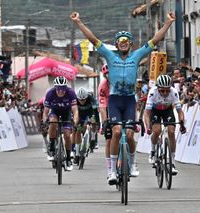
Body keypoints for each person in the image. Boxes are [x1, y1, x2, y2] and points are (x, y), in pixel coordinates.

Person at [70, 10, 176, 185]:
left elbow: (155, 40)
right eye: (121, 42)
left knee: (129, 133)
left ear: (131, 44)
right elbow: (93, 40)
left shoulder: (136, 56)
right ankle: (111, 171)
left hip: (129, 101)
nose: (124, 44)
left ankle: (132, 164)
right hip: (115, 100)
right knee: (117, 132)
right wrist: (79, 22)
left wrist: (168, 23)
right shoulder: (110, 56)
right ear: (117, 44)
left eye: (127, 41)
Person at [143, 75, 186, 175]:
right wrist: (148, 126)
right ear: (158, 88)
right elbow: (146, 113)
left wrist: (182, 124)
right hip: (155, 111)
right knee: (156, 130)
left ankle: (172, 162)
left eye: (167, 90)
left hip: (167, 110)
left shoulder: (174, 92)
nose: (165, 93)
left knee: (171, 132)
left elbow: (180, 112)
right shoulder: (153, 92)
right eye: (162, 91)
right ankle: (153, 151)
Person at [43, 76, 79, 171]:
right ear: (55, 88)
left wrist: (75, 121)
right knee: (53, 122)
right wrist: (45, 121)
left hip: (66, 113)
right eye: (59, 89)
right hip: (55, 111)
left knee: (67, 135)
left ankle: (68, 158)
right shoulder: (50, 93)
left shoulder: (71, 93)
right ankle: (51, 147)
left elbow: (75, 111)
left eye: (63, 89)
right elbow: (45, 112)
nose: (61, 91)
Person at [72, 87, 100, 165]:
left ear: (87, 97)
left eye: (84, 99)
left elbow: (96, 112)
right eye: (80, 100)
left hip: (90, 114)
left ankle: (93, 138)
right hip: (80, 116)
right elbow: (72, 112)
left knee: (93, 122)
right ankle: (77, 154)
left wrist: (98, 122)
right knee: (78, 131)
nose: (82, 101)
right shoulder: (74, 100)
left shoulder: (91, 99)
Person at [98, 64, 113, 180]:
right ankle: (109, 169)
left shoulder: (120, 82)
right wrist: (104, 122)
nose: (109, 76)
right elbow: (102, 106)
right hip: (108, 108)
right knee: (108, 140)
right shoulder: (103, 86)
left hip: (119, 106)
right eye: (107, 74)